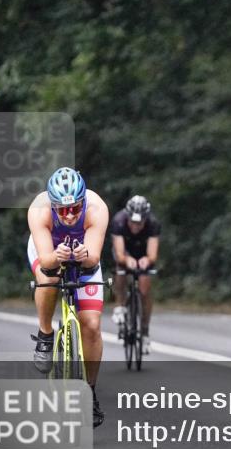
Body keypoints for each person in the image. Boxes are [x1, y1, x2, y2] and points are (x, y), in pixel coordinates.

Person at [27, 167, 109, 427]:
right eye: (62, 210)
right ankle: (45, 334)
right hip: (49, 250)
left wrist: (84, 256)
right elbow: (46, 261)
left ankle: (90, 391)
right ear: (53, 205)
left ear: (83, 201)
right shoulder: (38, 209)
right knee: (49, 278)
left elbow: (93, 259)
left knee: (92, 325)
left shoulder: (97, 208)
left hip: (85, 252)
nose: (70, 215)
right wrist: (56, 257)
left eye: (75, 208)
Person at [109, 195, 161, 354]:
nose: (135, 226)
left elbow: (152, 254)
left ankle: (144, 332)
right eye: (132, 222)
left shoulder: (153, 223)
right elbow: (119, 253)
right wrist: (126, 259)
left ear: (146, 218)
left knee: (145, 289)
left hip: (142, 252)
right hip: (125, 251)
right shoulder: (119, 221)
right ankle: (120, 305)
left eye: (139, 223)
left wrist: (148, 259)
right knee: (121, 269)